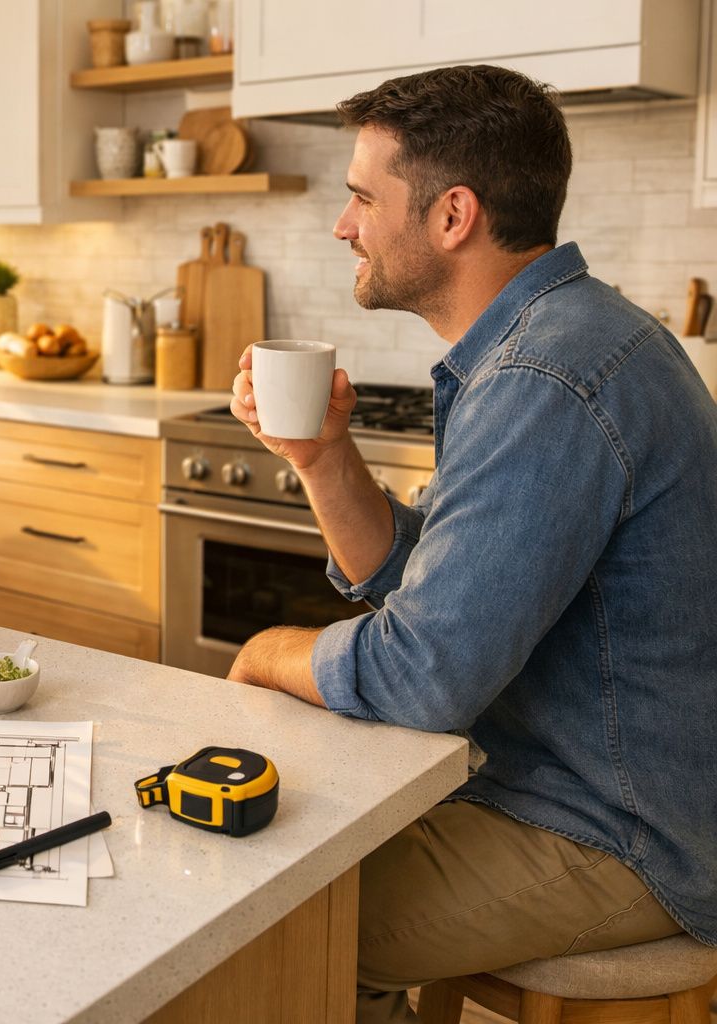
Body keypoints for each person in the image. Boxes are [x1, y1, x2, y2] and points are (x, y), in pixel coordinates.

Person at [226, 64, 717, 1022]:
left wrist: (271, 652)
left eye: (364, 197)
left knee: (267, 921)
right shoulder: (555, 338)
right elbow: (447, 596)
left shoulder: (544, 376)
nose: (344, 225)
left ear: (453, 215)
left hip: (622, 828)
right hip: (571, 786)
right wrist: (325, 458)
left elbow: (425, 676)